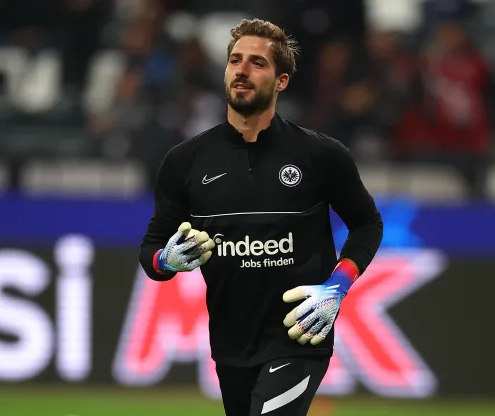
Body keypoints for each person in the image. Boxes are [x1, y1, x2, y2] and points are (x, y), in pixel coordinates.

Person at [139, 18, 384, 416]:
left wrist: (337, 286)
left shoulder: (321, 155)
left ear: (281, 81)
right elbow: (151, 252)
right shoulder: (184, 161)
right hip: (231, 342)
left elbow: (368, 224)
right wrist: (166, 260)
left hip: (299, 335)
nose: (241, 69)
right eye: (235, 60)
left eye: (257, 62)